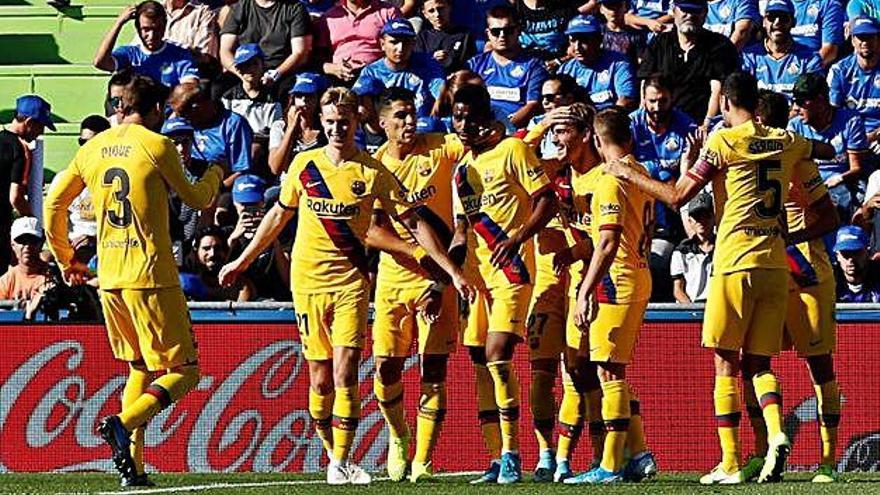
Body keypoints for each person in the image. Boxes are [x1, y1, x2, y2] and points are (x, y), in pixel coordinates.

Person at [218, 87, 475, 485]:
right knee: (319, 378)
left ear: (357, 122)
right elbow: (276, 219)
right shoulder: (305, 166)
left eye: (345, 121)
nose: (338, 128)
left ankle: (342, 459)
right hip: (307, 283)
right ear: (321, 123)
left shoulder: (372, 172)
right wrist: (241, 260)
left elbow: (415, 223)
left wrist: (451, 271)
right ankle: (333, 455)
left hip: (353, 281)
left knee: (346, 370)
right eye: (332, 122)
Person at [602, 71, 839, 484]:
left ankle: (730, 462)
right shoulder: (786, 140)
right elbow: (825, 146)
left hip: (734, 263)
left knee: (725, 362)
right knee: (760, 363)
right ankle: (777, 434)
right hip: (773, 263)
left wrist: (628, 174)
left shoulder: (723, 141)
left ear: (726, 104)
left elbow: (677, 198)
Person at [43, 74, 224, 487]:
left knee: (140, 368)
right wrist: (215, 172)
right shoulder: (156, 144)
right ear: (156, 109)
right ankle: (123, 423)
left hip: (110, 279)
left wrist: (65, 257)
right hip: (152, 277)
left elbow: (54, 202)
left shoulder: (92, 149)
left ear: (118, 106)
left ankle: (134, 469)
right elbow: (197, 199)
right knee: (186, 371)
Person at [448, 84, 558, 484]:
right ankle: (497, 457)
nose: (462, 125)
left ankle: (513, 454)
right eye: (456, 117)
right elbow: (462, 230)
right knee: (480, 361)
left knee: (497, 353)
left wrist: (518, 238)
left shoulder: (513, 151)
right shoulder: (463, 170)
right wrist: (448, 273)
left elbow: (547, 200)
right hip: (478, 280)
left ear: (484, 116)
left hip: (512, 270)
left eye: (468, 117)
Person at [362, 88, 467, 482]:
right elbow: (370, 230)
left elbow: (482, 140)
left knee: (433, 369)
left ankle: (423, 460)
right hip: (394, 278)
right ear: (382, 123)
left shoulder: (439, 148)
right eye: (401, 116)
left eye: (413, 114)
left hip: (438, 279)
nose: (410, 122)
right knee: (386, 367)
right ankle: (398, 434)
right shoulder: (372, 166)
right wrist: (415, 250)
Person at [747, 82, 843, 484]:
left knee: (818, 366)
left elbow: (829, 218)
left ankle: (826, 461)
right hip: (770, 271)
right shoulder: (752, 164)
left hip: (806, 273)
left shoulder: (799, 164)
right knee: (753, 361)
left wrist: (792, 239)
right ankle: (765, 451)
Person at [563, 108, 656, 484]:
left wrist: (585, 290)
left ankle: (610, 465)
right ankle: (639, 454)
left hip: (616, 280)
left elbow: (606, 241)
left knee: (608, 371)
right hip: (640, 275)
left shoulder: (610, 180)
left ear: (598, 142)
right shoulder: (641, 173)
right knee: (614, 367)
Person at [521, 103, 609, 482]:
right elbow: (518, 151)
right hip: (543, 284)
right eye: (553, 131)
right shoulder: (540, 170)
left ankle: (583, 456)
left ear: (584, 134)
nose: (556, 139)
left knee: (578, 369)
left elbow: (602, 236)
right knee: (541, 375)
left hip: (578, 282)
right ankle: (545, 454)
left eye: (563, 130)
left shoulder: (596, 176)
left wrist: (574, 252)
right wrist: (542, 124)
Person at [629, 75, 700, 298]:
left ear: (673, 98)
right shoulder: (632, 125)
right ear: (643, 99)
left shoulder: (686, 127)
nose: (657, 107)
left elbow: (693, 174)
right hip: (640, 211)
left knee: (660, 263)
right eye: (651, 101)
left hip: (675, 213)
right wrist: (661, 178)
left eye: (663, 101)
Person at [637, 0, 739, 126]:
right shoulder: (659, 43)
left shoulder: (721, 46)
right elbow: (645, 82)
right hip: (663, 123)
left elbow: (717, 89)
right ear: (674, 11)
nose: (690, 16)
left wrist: (706, 125)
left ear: (705, 13)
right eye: (685, 10)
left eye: (695, 11)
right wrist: (644, 117)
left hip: (702, 124)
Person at [788, 73, 868, 221]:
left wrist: (839, 178)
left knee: (847, 195)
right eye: (794, 102)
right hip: (806, 183)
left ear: (819, 100)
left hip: (840, 182)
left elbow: (856, 168)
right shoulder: (794, 126)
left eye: (800, 102)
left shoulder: (850, 121)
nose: (796, 108)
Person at [352, 18, 446, 132]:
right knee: (365, 86)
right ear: (382, 44)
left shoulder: (428, 64)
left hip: (419, 128)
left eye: (406, 42)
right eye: (394, 42)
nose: (400, 48)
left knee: (432, 125)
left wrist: (435, 114)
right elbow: (361, 109)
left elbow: (441, 92)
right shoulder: (371, 72)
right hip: (384, 131)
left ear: (413, 43)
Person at [466, 5, 549, 132]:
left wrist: (502, 127)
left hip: (515, 133)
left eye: (509, 30)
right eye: (495, 31)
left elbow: (533, 105)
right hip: (479, 130)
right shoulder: (474, 65)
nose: (502, 36)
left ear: (519, 30)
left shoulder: (534, 66)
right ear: (487, 34)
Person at [0, 95, 54, 274]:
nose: (41, 132)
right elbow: (15, 197)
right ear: (29, 122)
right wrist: (32, 221)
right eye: (40, 126)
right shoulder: (19, 148)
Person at [49, 116, 112, 265]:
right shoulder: (64, 178)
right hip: (74, 247)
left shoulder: (117, 181)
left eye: (92, 144)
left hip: (107, 248)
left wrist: (93, 240)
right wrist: (66, 246)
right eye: (82, 142)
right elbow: (57, 220)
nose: (86, 149)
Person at [93, 1, 200, 88]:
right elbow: (100, 62)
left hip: (169, 113)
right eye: (146, 29)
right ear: (138, 29)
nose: (152, 35)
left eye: (157, 29)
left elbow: (190, 87)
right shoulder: (129, 54)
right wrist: (119, 23)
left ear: (164, 27)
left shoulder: (180, 55)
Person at [219, 0, 312, 91]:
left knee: (286, 90)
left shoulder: (295, 8)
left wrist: (276, 74)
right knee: (218, 87)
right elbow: (225, 51)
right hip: (244, 69)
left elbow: (299, 52)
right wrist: (243, 76)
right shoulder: (239, 8)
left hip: (279, 70)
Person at [741, 0, 824, 102]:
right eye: (771, 17)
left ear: (793, 22)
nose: (777, 22)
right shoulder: (749, 56)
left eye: (783, 17)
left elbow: (811, 101)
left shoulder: (810, 59)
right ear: (763, 22)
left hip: (795, 116)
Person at [170, 82, 255, 179]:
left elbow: (241, 170)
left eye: (185, 114)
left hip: (221, 186)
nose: (183, 118)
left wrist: (214, 189)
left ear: (199, 106)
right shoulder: (182, 124)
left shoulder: (233, 124)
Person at [558, 14, 638, 112]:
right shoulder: (565, 70)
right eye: (573, 40)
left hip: (608, 120)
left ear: (599, 40)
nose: (577, 47)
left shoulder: (618, 63)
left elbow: (626, 100)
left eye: (584, 40)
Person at [314, 0, 401, 85]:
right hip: (339, 78)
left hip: (378, 77)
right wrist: (333, 68)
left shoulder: (388, 12)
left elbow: (400, 46)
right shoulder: (329, 17)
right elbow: (319, 56)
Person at [829, 17, 880, 151]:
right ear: (852, 40)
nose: (865, 42)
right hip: (848, 136)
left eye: (870, 37)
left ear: (878, 39)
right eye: (861, 37)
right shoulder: (839, 70)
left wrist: (873, 136)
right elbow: (832, 112)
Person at [268, 72, 328, 178]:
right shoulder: (279, 126)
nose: (304, 100)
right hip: (288, 183)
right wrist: (290, 129)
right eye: (299, 96)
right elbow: (275, 168)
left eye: (309, 96)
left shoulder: (327, 127)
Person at [183, 226, 254, 301]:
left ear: (224, 252)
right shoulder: (186, 283)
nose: (212, 253)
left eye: (217, 248)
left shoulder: (240, 286)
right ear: (196, 252)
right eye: (206, 248)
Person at [670, 193, 714, 303]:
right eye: (697, 217)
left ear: (714, 217)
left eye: (706, 216)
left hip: (716, 306)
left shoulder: (724, 248)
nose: (701, 221)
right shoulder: (681, 252)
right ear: (690, 221)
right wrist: (691, 309)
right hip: (691, 306)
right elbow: (678, 290)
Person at [524, 74, 581, 159]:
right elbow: (524, 151)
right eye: (542, 97)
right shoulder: (537, 122)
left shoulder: (583, 120)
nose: (544, 102)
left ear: (569, 98)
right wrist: (543, 125)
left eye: (550, 97)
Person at [415, 0, 477, 73]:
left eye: (440, 9)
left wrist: (450, 61)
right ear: (425, 14)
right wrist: (431, 60)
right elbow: (417, 64)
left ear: (449, 7)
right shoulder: (422, 37)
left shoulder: (465, 35)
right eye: (431, 11)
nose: (437, 14)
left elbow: (470, 65)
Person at [0, 216, 49, 303]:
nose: (27, 246)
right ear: (13, 245)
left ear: (41, 243)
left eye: (33, 240)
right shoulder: (6, 281)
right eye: (21, 241)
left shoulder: (53, 277)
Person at [514, 0, 581, 62]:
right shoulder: (515, 9)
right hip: (523, 66)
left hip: (561, 66)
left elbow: (578, 47)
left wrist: (559, 61)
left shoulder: (565, 7)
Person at [791, 0, 844, 68]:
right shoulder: (779, 4)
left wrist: (806, 71)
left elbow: (830, 51)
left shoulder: (827, 5)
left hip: (813, 70)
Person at [834, 225, 880, 302]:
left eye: (856, 253)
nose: (851, 259)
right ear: (837, 256)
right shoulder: (830, 280)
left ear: (868, 253)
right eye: (845, 254)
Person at [600, 0, 649, 67]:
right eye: (609, 7)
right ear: (601, 9)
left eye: (618, 6)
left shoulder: (635, 34)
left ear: (625, 7)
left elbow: (642, 62)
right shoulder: (597, 32)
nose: (613, 11)